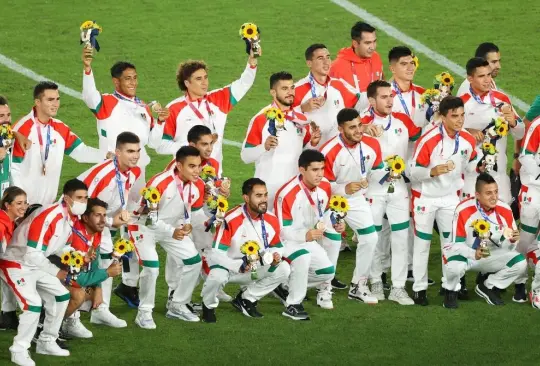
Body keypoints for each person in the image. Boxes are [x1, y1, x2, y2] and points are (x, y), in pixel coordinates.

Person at [82, 49, 168, 303]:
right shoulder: (108, 102)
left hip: (135, 175)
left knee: (131, 225)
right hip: (111, 175)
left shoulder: (143, 106)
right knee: (102, 226)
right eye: (128, 78)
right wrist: (87, 68)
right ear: (116, 82)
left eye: (135, 78)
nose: (133, 82)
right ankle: (89, 281)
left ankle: (127, 283)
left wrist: (159, 121)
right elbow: (89, 97)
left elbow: (152, 142)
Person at [1, 179, 88, 364]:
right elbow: (33, 254)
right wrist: (57, 272)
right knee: (32, 304)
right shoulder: (50, 217)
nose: (83, 202)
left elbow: (51, 247)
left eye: (85, 198)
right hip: (15, 263)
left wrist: (74, 255)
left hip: (33, 263)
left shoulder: (68, 216)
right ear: (66, 198)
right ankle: (19, 349)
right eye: (79, 198)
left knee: (61, 295)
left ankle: (47, 340)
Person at [409, 96, 478, 306]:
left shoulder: (467, 139)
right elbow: (412, 171)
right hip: (425, 198)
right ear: (444, 117)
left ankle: (450, 288)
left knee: (451, 244)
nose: (460, 120)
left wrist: (480, 166)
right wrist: (432, 171)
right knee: (422, 244)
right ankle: (419, 289)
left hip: (450, 198)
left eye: (462, 115)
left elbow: (471, 164)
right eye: (454, 116)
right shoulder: (429, 139)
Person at [360, 80, 421, 305]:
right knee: (374, 236)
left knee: (401, 236)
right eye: (384, 97)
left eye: (391, 96)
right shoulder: (362, 122)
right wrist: (363, 129)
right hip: (374, 188)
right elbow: (345, 132)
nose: (389, 101)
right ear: (372, 100)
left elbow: (420, 137)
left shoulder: (403, 120)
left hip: (399, 188)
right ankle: (375, 280)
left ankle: (398, 286)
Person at [130, 146, 204, 328]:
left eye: (199, 166)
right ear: (179, 165)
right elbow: (149, 218)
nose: (197, 171)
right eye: (192, 166)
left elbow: (193, 211)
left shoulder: (198, 185)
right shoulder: (159, 183)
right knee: (152, 268)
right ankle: (144, 312)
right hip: (144, 227)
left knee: (194, 261)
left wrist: (188, 223)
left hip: (171, 228)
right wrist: (173, 231)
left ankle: (177, 304)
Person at [200, 178, 290, 323]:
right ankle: (208, 306)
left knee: (283, 269)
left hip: (254, 266)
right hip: (228, 267)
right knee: (217, 276)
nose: (264, 200)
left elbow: (277, 245)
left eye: (265, 195)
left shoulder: (271, 219)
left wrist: (275, 255)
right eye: (258, 196)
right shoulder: (231, 219)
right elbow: (216, 254)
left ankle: (246, 298)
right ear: (246, 198)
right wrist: (238, 266)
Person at [162, 125, 232, 305]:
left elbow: (210, 187)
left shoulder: (213, 163)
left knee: (211, 243)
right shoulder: (178, 165)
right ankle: (173, 293)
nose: (209, 148)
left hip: (196, 211)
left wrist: (220, 191)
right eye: (204, 144)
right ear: (193, 144)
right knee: (180, 252)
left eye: (211, 143)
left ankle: (212, 285)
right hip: (176, 214)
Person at [77, 132, 141, 327]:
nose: (135, 156)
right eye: (130, 151)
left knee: (107, 258)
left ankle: (98, 308)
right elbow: (84, 210)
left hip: (99, 221)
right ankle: (80, 312)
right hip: (79, 221)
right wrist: (112, 222)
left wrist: (120, 215)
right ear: (117, 152)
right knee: (78, 263)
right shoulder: (104, 176)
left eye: (138, 151)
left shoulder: (132, 171)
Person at [156, 48, 259, 169]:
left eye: (205, 77)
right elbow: (160, 145)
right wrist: (189, 147)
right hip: (186, 174)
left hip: (214, 175)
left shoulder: (218, 99)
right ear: (187, 83)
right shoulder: (174, 109)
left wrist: (252, 61)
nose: (204, 83)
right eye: (198, 79)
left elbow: (244, 83)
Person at [320, 108, 383, 304]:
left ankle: (358, 285)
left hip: (356, 200)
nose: (358, 131)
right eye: (352, 127)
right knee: (332, 243)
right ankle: (325, 289)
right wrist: (343, 188)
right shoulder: (329, 151)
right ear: (340, 129)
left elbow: (379, 173)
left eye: (360, 125)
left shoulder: (372, 144)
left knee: (370, 238)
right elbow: (320, 186)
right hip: (331, 202)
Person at [273, 150, 344, 319]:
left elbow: (325, 212)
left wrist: (336, 222)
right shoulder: (287, 194)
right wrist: (304, 236)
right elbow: (281, 230)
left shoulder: (325, 186)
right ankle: (293, 304)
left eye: (322, 169)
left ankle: (284, 285)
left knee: (328, 272)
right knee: (303, 258)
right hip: (287, 242)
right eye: (314, 170)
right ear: (302, 170)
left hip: (308, 238)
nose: (320, 174)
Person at [11, 82, 105, 205]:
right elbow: (13, 168)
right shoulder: (22, 129)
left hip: (47, 204)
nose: (55, 104)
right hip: (23, 206)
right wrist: (21, 202)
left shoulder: (60, 128)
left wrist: (106, 156)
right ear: (37, 102)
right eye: (50, 100)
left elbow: (81, 152)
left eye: (57, 99)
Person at [442, 173, 524, 308]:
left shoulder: (505, 209)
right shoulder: (463, 209)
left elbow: (510, 248)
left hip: (490, 254)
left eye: (496, 192)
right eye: (489, 193)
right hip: (468, 255)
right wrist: (473, 253)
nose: (494, 197)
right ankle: (451, 290)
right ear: (478, 195)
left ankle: (488, 286)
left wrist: (512, 240)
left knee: (519, 263)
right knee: (453, 265)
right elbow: (456, 244)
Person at [241, 71, 320, 209]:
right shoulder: (261, 119)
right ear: (273, 92)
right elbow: (245, 156)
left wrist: (312, 143)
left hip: (294, 188)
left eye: (292, 88)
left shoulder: (301, 119)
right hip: (269, 189)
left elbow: (302, 153)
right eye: (284, 88)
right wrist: (264, 147)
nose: (290, 92)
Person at [460, 58, 524, 204]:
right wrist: (466, 131)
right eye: (481, 76)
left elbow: (520, 133)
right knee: (472, 223)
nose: (487, 80)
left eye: (488, 75)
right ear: (470, 78)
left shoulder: (502, 99)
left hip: (498, 174)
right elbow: (448, 133)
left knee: (503, 222)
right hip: (472, 176)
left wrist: (513, 121)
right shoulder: (461, 102)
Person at [59, 198, 123, 339]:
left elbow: (93, 265)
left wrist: (98, 289)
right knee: (79, 294)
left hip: (69, 276)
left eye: (104, 215)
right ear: (86, 218)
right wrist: (107, 273)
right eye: (98, 215)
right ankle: (49, 326)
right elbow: (75, 279)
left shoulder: (96, 232)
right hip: (55, 275)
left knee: (90, 291)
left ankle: (66, 321)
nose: (103, 220)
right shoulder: (75, 238)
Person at [293, 44, 364, 146]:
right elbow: (281, 117)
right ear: (309, 63)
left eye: (328, 57)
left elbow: (361, 101)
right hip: (312, 153)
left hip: (337, 151)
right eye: (320, 58)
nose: (326, 62)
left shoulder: (338, 85)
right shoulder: (297, 89)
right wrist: (302, 108)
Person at [516, 116, 540, 306]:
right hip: (533, 191)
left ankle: (537, 291)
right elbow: (525, 155)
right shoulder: (538, 125)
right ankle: (519, 282)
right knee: (525, 239)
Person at [0, 187, 28, 332]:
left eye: (25, 203)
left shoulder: (9, 221)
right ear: (7, 205)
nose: (23, 207)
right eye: (19, 203)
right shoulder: (1, 224)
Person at [329, 22, 383, 94]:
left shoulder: (375, 57)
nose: (372, 47)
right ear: (355, 44)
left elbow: (381, 78)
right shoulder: (337, 67)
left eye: (374, 41)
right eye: (367, 43)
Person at [387, 46, 427, 128]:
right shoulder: (384, 97)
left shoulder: (424, 93)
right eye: (404, 64)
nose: (410, 68)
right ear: (392, 69)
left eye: (412, 63)